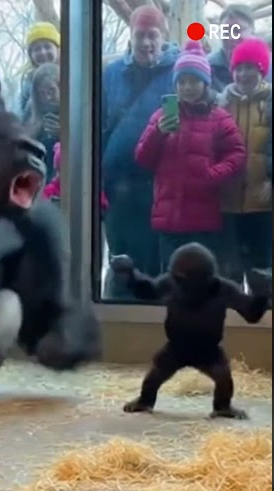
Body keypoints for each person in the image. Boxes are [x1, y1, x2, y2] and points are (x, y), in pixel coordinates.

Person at [134, 41, 246, 275]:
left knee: (203, 282)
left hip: (205, 221)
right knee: (172, 281)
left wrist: (213, 174)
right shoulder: (161, 116)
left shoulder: (220, 118)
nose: (187, 87)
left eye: (194, 81)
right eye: (182, 81)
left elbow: (237, 154)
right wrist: (158, 133)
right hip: (169, 220)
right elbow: (143, 158)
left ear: (205, 83)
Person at [100, 6, 179, 297]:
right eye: (140, 35)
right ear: (131, 37)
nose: (146, 43)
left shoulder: (179, 71)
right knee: (121, 262)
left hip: (161, 185)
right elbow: (99, 126)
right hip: (117, 186)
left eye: (152, 36)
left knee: (158, 263)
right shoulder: (111, 75)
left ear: (163, 36)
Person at [219, 36, 272, 284]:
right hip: (227, 204)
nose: (243, 74)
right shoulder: (221, 104)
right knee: (230, 274)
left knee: (263, 272)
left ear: (261, 69)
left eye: (250, 67)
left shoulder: (272, 102)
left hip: (263, 204)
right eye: (239, 68)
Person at [16, 21, 62, 123]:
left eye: (47, 46)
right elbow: (23, 118)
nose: (43, 52)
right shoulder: (28, 83)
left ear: (58, 49)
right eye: (37, 49)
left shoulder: (71, 77)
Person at [208, 4, 256, 91]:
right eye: (226, 32)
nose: (231, 38)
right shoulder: (208, 67)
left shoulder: (268, 67)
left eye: (237, 31)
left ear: (252, 31)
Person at [28, 63, 60, 160]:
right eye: (41, 93)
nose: (47, 97)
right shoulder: (32, 117)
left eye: (51, 91)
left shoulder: (75, 115)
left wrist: (64, 135)